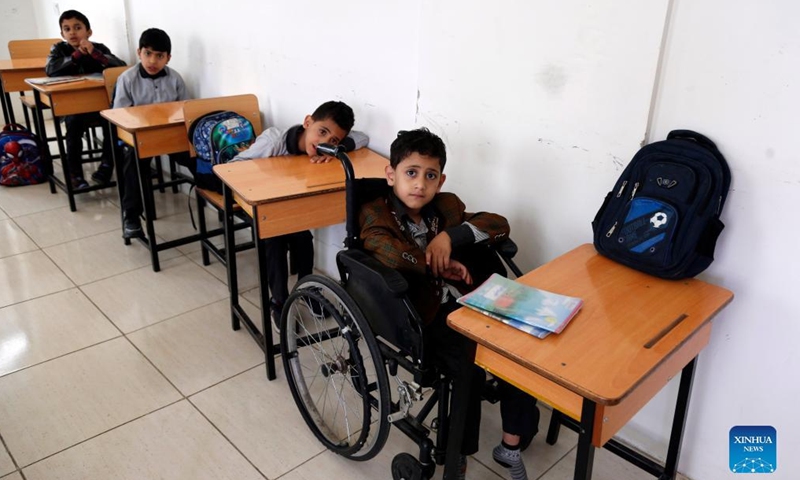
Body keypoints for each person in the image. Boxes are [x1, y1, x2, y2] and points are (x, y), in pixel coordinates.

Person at [359, 128, 538, 480]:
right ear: (391, 174)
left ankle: (510, 445)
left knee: (521, 344)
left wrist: (448, 237)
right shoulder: (374, 212)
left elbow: (498, 225)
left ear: (440, 180)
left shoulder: (447, 206)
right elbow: (386, 250)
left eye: (429, 176)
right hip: (419, 313)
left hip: (469, 300)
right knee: (469, 367)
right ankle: (458, 452)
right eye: (411, 173)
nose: (419, 185)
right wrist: (431, 261)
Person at [232, 101, 369, 331]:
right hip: (259, 207)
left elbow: (362, 137)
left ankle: (307, 288)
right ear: (308, 122)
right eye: (322, 132)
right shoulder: (273, 142)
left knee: (303, 236)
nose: (325, 143)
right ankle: (279, 301)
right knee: (274, 240)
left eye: (333, 140)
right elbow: (234, 167)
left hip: (291, 211)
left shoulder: (327, 147)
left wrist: (337, 150)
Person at [111, 28, 192, 239]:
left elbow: (185, 111)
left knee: (196, 154)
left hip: (170, 137)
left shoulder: (175, 78)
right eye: (148, 53)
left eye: (159, 56)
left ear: (168, 58)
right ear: (139, 52)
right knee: (133, 163)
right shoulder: (127, 79)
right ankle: (132, 216)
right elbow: (120, 116)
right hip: (137, 138)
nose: (152, 61)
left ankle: (216, 194)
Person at [45, 9, 126, 189]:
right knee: (73, 126)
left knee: (111, 123)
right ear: (62, 33)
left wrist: (96, 54)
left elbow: (119, 67)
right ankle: (75, 173)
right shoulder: (59, 49)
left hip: (98, 106)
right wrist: (76, 56)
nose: (72, 32)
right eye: (67, 29)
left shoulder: (99, 48)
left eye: (77, 27)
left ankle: (106, 165)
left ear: (88, 32)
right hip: (72, 107)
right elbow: (51, 69)